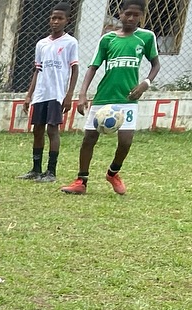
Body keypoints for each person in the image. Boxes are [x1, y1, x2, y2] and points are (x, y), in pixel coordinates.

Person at [61, 0, 159, 196]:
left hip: (128, 99)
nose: (131, 18)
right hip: (103, 98)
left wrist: (145, 84)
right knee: (89, 139)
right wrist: (82, 94)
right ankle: (81, 181)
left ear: (141, 17)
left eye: (136, 15)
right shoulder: (108, 39)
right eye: (127, 14)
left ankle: (113, 173)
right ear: (120, 14)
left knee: (126, 141)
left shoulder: (146, 38)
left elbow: (156, 64)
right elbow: (93, 67)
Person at [18, 4, 80, 182]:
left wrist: (69, 95)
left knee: (52, 130)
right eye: (53, 18)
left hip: (57, 94)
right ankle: (36, 169)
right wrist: (29, 95)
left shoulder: (70, 42)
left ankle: (51, 172)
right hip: (41, 94)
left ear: (67, 20)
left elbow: (74, 70)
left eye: (60, 18)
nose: (55, 21)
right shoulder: (41, 44)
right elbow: (37, 71)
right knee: (37, 130)